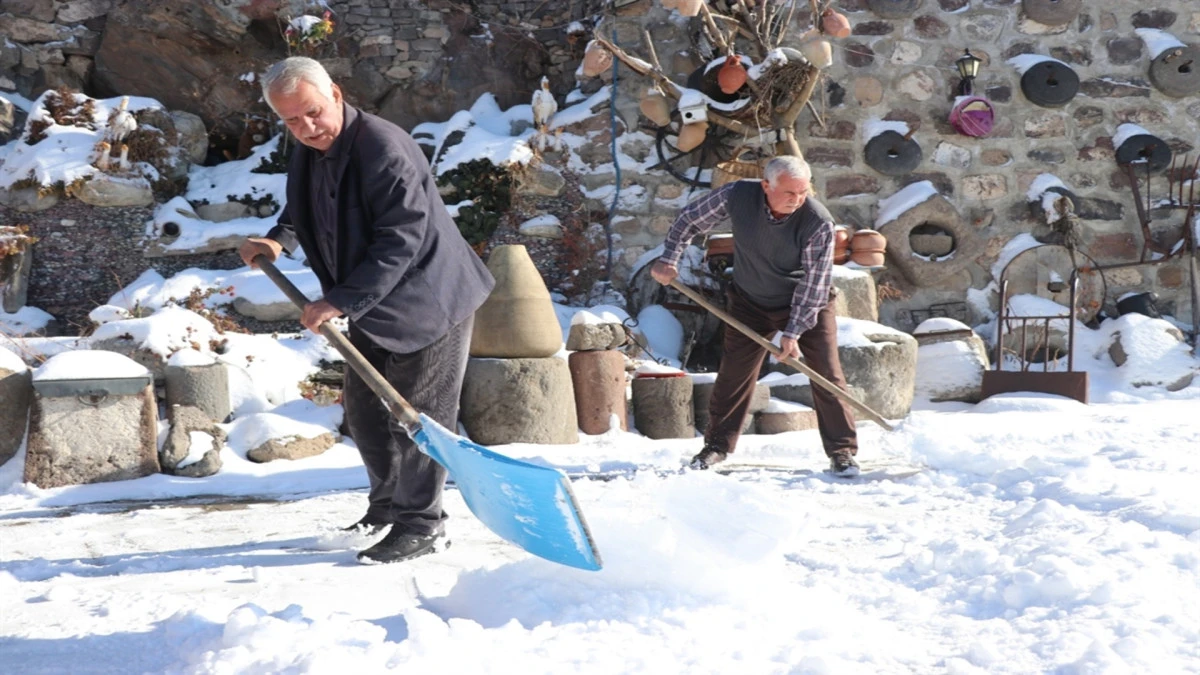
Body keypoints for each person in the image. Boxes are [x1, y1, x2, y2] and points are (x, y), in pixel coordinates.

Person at [238, 57, 495, 563]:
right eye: (291, 120)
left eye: (312, 112)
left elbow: (401, 239)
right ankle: (387, 506)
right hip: (373, 299)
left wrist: (337, 301)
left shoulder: (383, 148)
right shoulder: (312, 148)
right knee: (365, 411)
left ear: (335, 93)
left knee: (419, 416)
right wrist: (276, 240)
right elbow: (304, 205)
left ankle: (422, 524)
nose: (306, 128)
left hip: (429, 299)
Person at [649, 156, 860, 476]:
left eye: (803, 192)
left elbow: (814, 284)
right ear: (766, 186)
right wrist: (669, 258)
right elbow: (689, 219)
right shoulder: (737, 195)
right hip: (751, 301)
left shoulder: (817, 221)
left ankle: (842, 451)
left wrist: (793, 332)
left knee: (826, 374)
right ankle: (716, 446)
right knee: (734, 373)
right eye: (790, 193)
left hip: (804, 303)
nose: (797, 199)